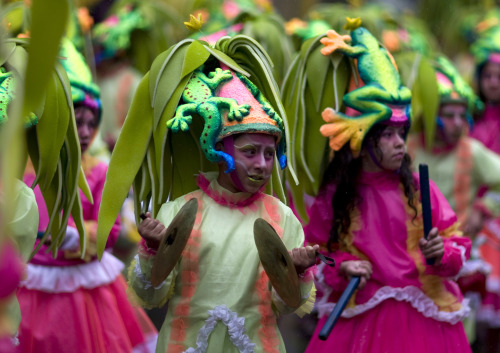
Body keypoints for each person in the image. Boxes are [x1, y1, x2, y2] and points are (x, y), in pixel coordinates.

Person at [299, 23, 472, 353]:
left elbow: (456, 248)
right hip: (359, 318)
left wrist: (441, 253)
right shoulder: (336, 195)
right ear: (363, 140)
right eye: (387, 135)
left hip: (424, 317)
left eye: (401, 134)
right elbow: (315, 255)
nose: (399, 145)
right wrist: (343, 266)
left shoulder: (420, 187)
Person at [126, 58, 318, 351]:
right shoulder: (179, 210)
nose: (262, 165)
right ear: (221, 152)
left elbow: (286, 305)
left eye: (269, 154)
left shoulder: (281, 217)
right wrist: (153, 249)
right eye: (250, 152)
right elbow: (151, 297)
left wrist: (297, 271)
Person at [16, 39, 157, 353]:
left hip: (82, 289)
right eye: (76, 120)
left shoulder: (97, 172)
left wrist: (74, 236)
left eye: (91, 123)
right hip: (31, 286)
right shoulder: (21, 170)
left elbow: (112, 230)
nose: (84, 130)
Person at [408, 56, 500, 346]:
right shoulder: (408, 148)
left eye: (463, 115)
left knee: (459, 332)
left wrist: (483, 209)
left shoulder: (471, 150)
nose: (458, 123)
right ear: (431, 114)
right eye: (449, 115)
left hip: (458, 257)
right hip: (412, 257)